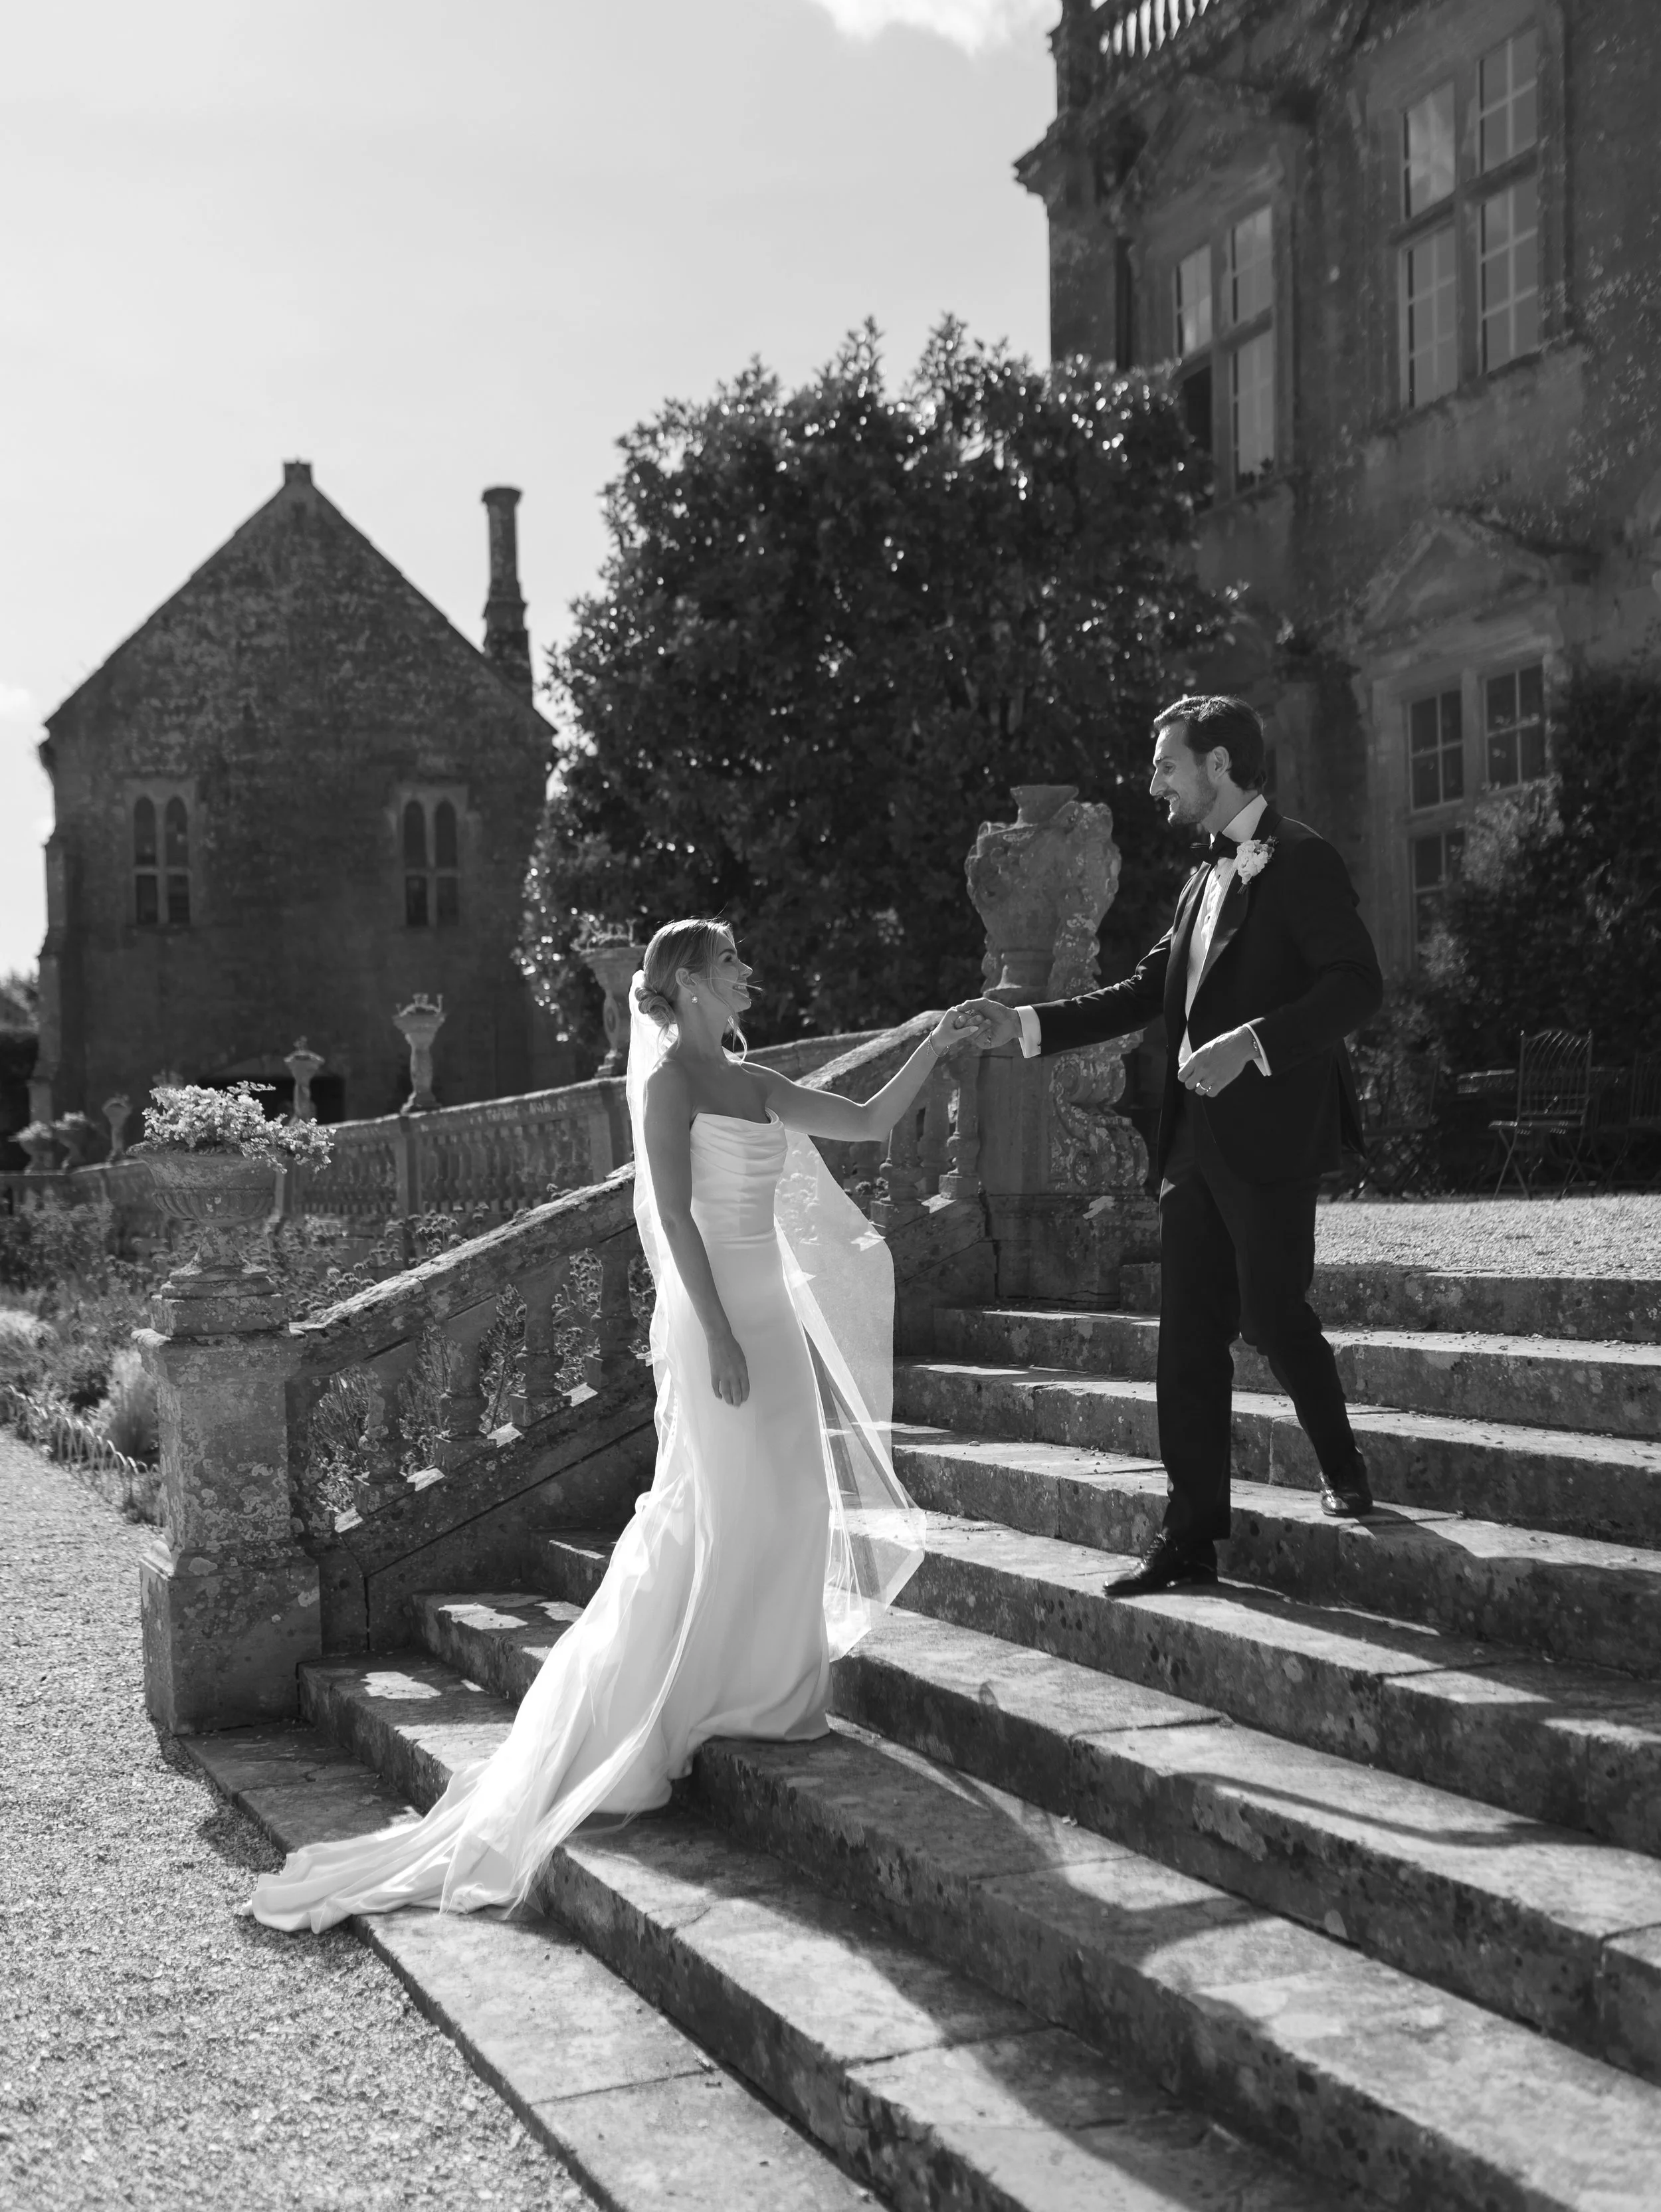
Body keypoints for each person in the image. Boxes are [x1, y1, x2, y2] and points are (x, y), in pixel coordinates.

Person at [250, 918, 969, 1932]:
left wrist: (938, 1038)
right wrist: (716, 1332)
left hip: (771, 1306)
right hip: (714, 1310)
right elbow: (673, 1221)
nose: (749, 969)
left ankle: (770, 1688)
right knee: (712, 1506)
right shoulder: (671, 1083)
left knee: (796, 1493)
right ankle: (661, 1705)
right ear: (688, 980)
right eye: (732, 960)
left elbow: (869, 1118)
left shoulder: (751, 1080)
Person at [956, 695, 1383, 1597]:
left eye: (1167, 765)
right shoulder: (1201, 881)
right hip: (1191, 1144)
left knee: (1273, 1316)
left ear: (1219, 764)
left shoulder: (1302, 860)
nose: (1154, 782)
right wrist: (1021, 1025)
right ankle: (1188, 1540)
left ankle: (1342, 1460)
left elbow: (1356, 985)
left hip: (1270, 1135)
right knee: (1187, 1340)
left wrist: (1252, 1042)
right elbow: (1143, 992)